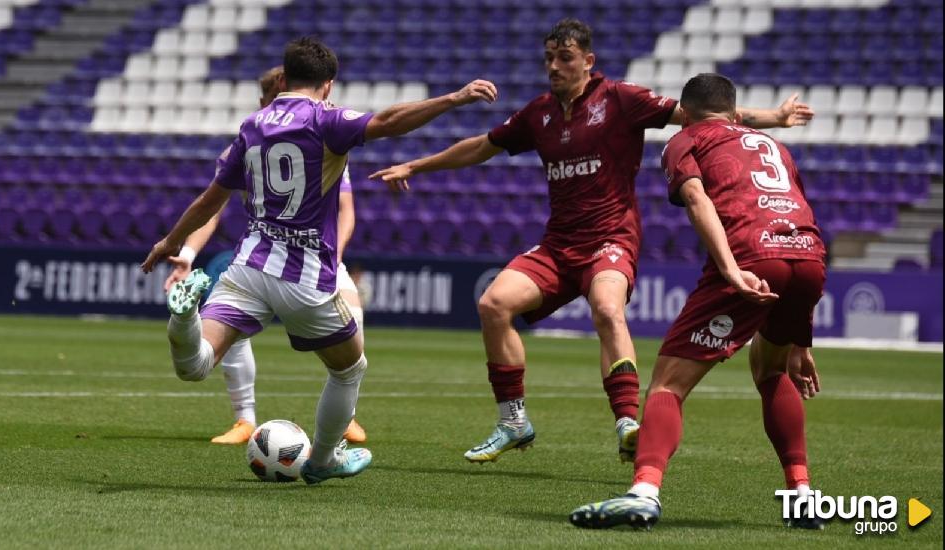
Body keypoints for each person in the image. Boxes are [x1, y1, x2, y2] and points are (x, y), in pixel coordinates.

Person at [370, 19, 814, 465]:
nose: (554, 67)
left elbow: (698, 116)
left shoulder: (621, 100)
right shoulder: (538, 113)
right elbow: (481, 146)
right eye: (549, 58)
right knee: (493, 304)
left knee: (606, 308)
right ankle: (513, 421)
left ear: (588, 61)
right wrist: (414, 167)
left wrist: (773, 119)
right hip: (559, 244)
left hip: (611, 239)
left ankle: (627, 424)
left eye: (564, 58)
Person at [141, 36, 498, 484]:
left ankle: (182, 318)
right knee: (350, 368)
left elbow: (210, 199)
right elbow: (388, 121)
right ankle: (324, 459)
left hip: (248, 266)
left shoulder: (251, 126)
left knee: (195, 366)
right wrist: (455, 97)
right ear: (328, 85)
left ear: (284, 77)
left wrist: (170, 242)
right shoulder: (326, 120)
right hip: (304, 275)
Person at [569, 73, 826, 529]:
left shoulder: (684, 139)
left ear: (684, 114)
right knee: (771, 368)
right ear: (735, 112)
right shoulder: (773, 145)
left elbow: (696, 197)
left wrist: (729, 267)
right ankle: (802, 495)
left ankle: (644, 491)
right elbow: (797, 207)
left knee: (668, 384)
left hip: (750, 254)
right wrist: (800, 337)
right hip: (807, 255)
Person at [165, 66, 367, 446]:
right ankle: (246, 419)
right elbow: (216, 208)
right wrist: (190, 251)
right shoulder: (268, 140)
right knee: (343, 361)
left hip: (308, 257)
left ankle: (347, 415)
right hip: (271, 257)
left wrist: (334, 257)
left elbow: (346, 211)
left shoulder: (316, 143)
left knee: (352, 315)